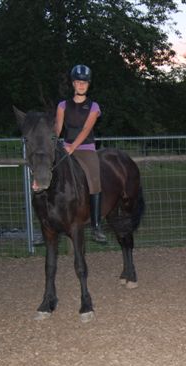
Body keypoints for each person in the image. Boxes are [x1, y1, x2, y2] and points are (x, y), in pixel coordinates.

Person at [55, 64, 107, 243]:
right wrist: (53, 144)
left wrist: (73, 147)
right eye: (78, 82)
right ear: (73, 84)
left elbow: (86, 129)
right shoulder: (62, 106)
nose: (81, 85)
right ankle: (48, 223)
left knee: (94, 180)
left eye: (84, 82)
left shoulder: (94, 107)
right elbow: (58, 129)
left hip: (86, 149)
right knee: (49, 176)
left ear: (88, 84)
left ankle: (96, 226)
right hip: (66, 148)